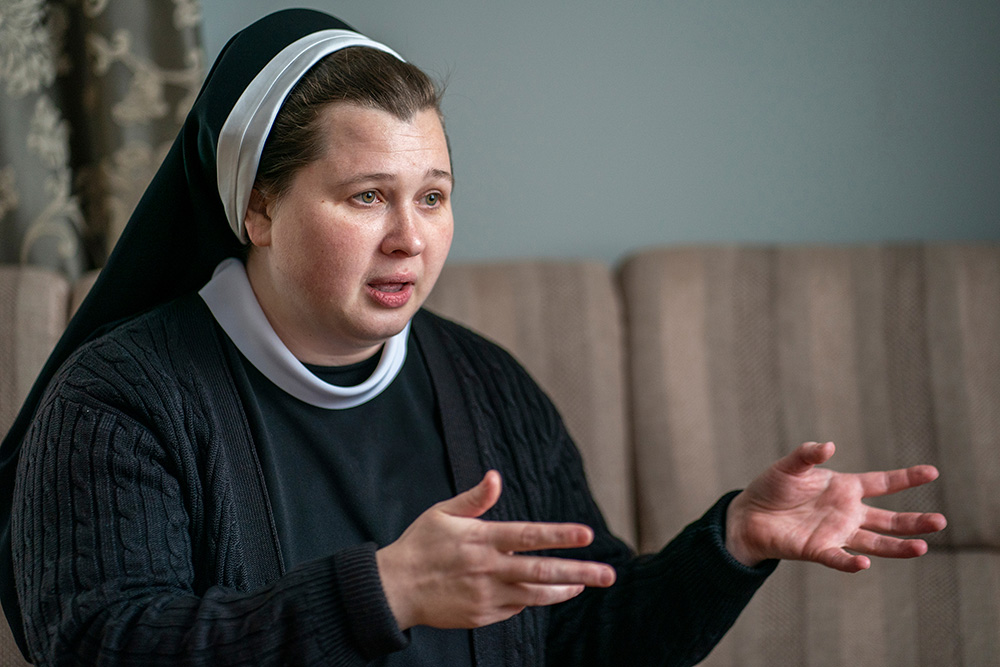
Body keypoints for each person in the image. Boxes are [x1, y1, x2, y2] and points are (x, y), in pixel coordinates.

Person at [0, 8, 946, 666]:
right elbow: (100, 645)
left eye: (435, 197)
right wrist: (381, 593)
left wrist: (733, 542)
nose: (411, 236)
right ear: (257, 208)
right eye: (367, 196)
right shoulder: (120, 396)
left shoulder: (485, 385)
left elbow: (585, 641)